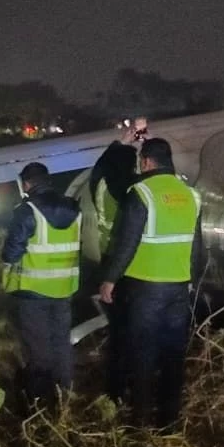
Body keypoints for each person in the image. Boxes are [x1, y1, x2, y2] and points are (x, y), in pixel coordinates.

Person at [98, 138, 203, 432]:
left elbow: (126, 243)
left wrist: (110, 279)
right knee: (173, 355)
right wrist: (192, 281)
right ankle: (169, 422)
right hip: (179, 289)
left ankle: (140, 420)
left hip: (146, 290)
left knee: (143, 353)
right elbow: (198, 248)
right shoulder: (191, 196)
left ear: (146, 161)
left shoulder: (141, 193)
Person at [1, 162, 82, 406]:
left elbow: (11, 252)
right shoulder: (74, 208)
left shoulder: (27, 211)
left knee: (38, 347)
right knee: (61, 342)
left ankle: (40, 400)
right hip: (64, 287)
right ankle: (65, 395)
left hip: (33, 290)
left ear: (26, 184)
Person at [88, 121, 144, 403]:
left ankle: (114, 389)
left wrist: (122, 141)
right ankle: (131, 386)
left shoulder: (98, 182)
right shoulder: (131, 191)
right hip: (128, 263)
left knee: (118, 330)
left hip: (107, 258)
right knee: (133, 330)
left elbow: (102, 165)